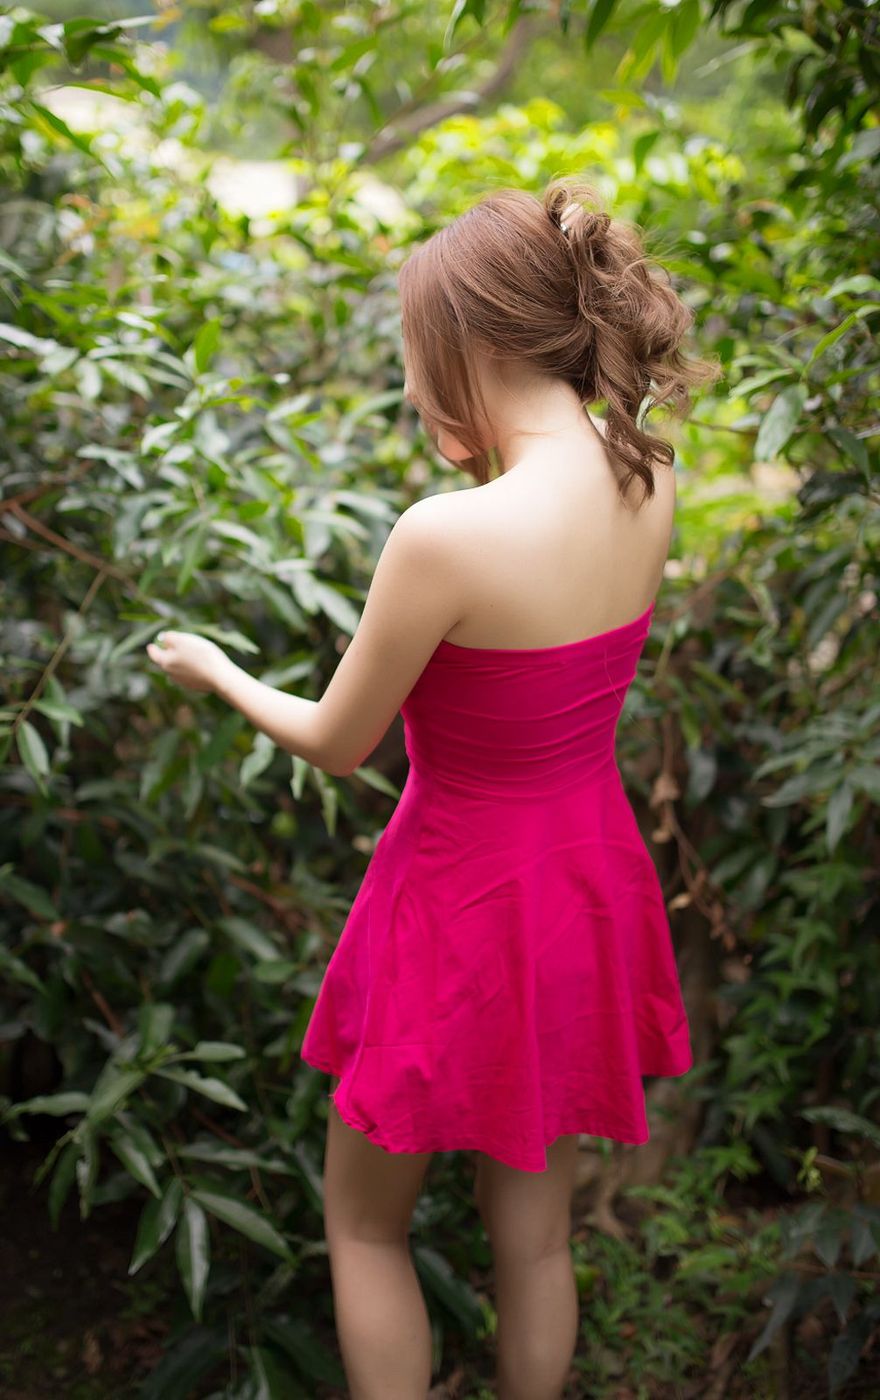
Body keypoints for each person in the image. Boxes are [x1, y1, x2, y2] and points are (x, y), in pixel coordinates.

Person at [146, 175, 720, 1400]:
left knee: (361, 1221)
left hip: (456, 900)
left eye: (416, 356)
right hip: (581, 880)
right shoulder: (648, 475)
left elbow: (338, 740)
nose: (414, 387)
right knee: (538, 1234)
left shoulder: (447, 534)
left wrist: (220, 670)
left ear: (467, 340)